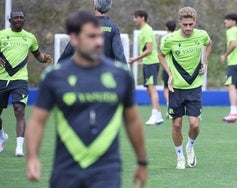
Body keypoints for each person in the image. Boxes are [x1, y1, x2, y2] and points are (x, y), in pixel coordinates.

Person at [26, 11, 147, 188]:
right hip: (65, 171)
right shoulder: (54, 77)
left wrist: (142, 162)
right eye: (91, 36)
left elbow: (133, 121)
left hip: (107, 171)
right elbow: (37, 122)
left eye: (99, 36)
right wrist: (32, 157)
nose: (99, 42)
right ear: (74, 39)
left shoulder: (121, 76)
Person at [158, 7, 212, 169]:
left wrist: (205, 61)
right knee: (176, 125)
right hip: (176, 88)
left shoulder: (202, 35)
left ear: (195, 22)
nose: (188, 28)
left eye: (191, 24)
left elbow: (209, 44)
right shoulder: (169, 40)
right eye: (185, 25)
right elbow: (160, 55)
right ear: (179, 23)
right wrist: (169, 74)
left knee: (195, 124)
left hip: (195, 87)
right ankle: (180, 156)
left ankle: (190, 146)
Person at [0, 10, 52, 157]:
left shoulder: (30, 37)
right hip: (1, 79)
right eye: (16, 17)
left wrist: (45, 59)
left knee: (19, 110)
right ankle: (2, 135)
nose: (19, 20)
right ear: (10, 20)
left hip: (20, 79)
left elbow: (38, 54)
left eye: (21, 18)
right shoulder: (1, 35)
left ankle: (19, 148)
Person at [57, 0, 127, 65]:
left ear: (94, 6)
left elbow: (68, 51)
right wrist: (126, 75)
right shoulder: (114, 28)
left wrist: (57, 68)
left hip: (86, 73)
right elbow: (119, 55)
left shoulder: (84, 26)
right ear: (108, 8)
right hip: (107, 73)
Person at [129, 10, 163, 125]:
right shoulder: (143, 30)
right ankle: (158, 115)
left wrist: (135, 58)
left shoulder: (147, 30)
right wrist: (141, 60)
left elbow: (149, 50)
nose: (134, 20)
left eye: (135, 17)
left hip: (152, 63)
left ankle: (155, 115)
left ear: (142, 18)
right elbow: (146, 49)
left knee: (152, 89)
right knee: (149, 89)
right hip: (148, 63)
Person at [160, 20, 176, 118]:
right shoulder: (178, 37)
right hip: (178, 67)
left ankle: (170, 108)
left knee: (166, 88)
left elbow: (162, 52)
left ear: (166, 27)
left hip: (168, 66)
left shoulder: (164, 38)